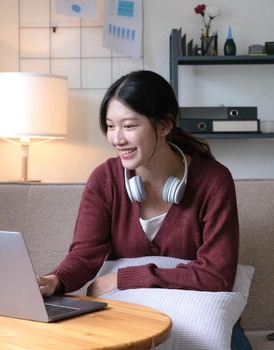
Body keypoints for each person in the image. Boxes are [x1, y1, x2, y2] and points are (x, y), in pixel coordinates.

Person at [37, 70, 251, 349]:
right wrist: (55, 280)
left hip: (201, 311)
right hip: (133, 317)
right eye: (110, 126)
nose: (116, 139)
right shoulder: (104, 179)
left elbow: (217, 275)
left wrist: (126, 277)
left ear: (164, 125)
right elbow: (84, 255)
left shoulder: (214, 181)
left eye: (128, 126)